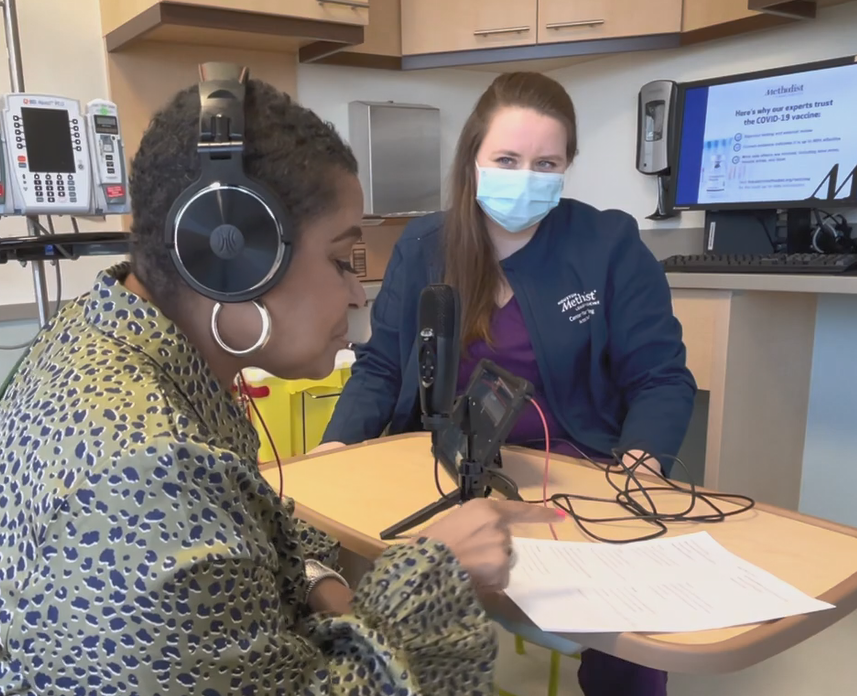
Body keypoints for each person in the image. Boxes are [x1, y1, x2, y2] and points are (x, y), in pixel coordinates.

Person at [0, 69, 564, 695]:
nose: (356, 294)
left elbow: (235, 528)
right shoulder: (144, 477)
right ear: (232, 258)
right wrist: (434, 576)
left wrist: (313, 572)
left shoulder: (100, 335)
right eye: (340, 258)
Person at [321, 72, 697, 695]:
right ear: (473, 159)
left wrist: (641, 463)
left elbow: (660, 376)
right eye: (506, 159)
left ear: (568, 165)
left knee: (628, 622)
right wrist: (335, 450)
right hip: (441, 469)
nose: (526, 176)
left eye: (545, 162)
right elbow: (382, 366)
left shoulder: (608, 244)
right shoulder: (425, 246)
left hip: (573, 482)